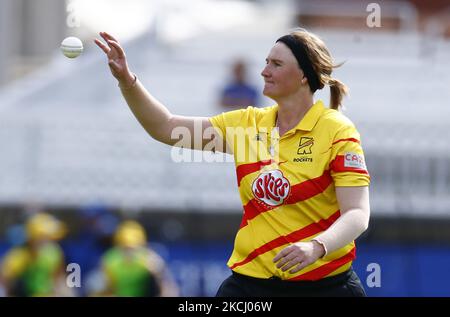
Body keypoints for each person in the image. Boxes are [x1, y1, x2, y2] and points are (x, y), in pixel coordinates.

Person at [94, 28, 370, 297]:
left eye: (276, 64)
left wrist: (316, 247)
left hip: (326, 286)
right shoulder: (247, 124)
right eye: (266, 63)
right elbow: (165, 127)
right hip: (251, 284)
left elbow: (357, 213)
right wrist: (127, 80)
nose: (264, 71)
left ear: (303, 76)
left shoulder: (337, 131)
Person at [99, 220, 179, 297]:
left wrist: (158, 276)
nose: (129, 252)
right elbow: (104, 289)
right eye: (125, 248)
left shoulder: (150, 259)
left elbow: (169, 288)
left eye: (132, 248)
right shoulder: (110, 260)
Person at [0, 212, 70, 296]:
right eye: (46, 237)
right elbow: (4, 280)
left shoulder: (54, 253)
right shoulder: (19, 256)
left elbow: (59, 278)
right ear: (34, 238)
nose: (50, 241)